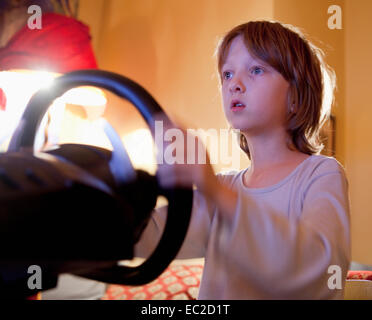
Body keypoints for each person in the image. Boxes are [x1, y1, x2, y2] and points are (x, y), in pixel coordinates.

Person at [135, 20, 350, 299]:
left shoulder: (321, 174)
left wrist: (214, 190)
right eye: (226, 74)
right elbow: (153, 237)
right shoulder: (223, 185)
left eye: (256, 69)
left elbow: (322, 270)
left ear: (295, 97)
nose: (234, 84)